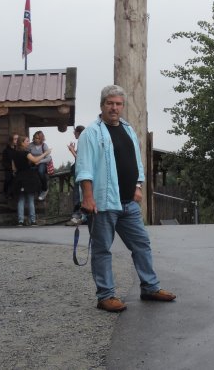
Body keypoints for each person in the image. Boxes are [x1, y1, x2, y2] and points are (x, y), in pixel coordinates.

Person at [76, 85, 176, 312]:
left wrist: (137, 186)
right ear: (102, 105)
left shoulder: (128, 129)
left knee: (142, 244)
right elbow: (84, 168)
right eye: (110, 103)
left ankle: (150, 287)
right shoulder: (91, 133)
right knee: (102, 249)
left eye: (118, 104)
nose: (114, 108)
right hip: (103, 203)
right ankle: (105, 296)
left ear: (123, 106)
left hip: (128, 203)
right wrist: (88, 198)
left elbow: (136, 162)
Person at [11, 135, 48, 226]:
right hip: (28, 177)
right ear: (22, 143)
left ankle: (20, 221)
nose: (28, 143)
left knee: (21, 200)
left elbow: (14, 168)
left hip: (19, 177)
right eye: (27, 141)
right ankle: (33, 221)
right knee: (30, 199)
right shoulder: (26, 153)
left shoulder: (14, 154)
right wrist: (45, 153)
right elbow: (35, 160)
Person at [65, 125, 85, 226]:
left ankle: (77, 216)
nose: (74, 134)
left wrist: (72, 150)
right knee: (79, 194)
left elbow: (80, 159)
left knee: (78, 194)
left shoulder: (83, 142)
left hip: (81, 172)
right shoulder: (84, 141)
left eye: (74, 132)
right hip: (81, 172)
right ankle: (82, 216)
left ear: (78, 132)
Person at [30, 130, 53, 201]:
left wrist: (39, 161)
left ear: (41, 139)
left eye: (38, 138)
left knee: (40, 171)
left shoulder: (44, 145)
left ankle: (45, 189)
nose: (36, 139)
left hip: (42, 163)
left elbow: (48, 158)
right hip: (33, 162)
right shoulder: (30, 145)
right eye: (35, 138)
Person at [2, 133, 19, 199]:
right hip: (9, 169)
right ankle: (6, 193)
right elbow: (4, 162)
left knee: (16, 182)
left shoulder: (18, 149)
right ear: (11, 140)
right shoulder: (6, 151)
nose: (17, 140)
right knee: (8, 179)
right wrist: (11, 168)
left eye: (18, 139)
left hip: (17, 169)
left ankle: (13, 195)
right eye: (15, 139)